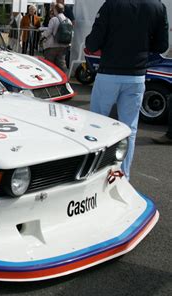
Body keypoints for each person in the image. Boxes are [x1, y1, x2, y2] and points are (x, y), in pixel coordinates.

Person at [86, 0, 169, 178]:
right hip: (136, 75)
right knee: (129, 129)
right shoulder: (157, 6)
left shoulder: (112, 4)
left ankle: (92, 176)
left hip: (109, 73)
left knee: (95, 126)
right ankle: (124, 176)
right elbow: (162, 45)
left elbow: (93, 43)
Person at [41, 3, 71, 73]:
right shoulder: (68, 20)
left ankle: (50, 81)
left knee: (49, 65)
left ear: (55, 10)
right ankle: (65, 80)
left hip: (52, 45)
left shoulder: (54, 19)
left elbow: (49, 31)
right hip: (64, 45)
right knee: (62, 64)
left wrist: (43, 36)